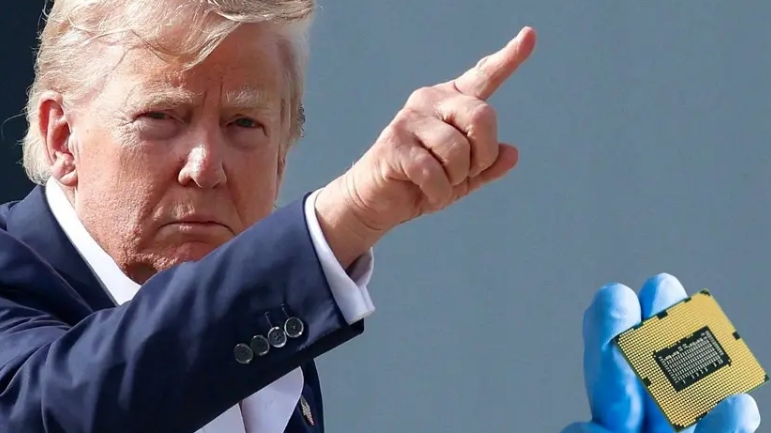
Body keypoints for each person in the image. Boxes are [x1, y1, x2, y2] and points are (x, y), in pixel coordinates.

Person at [0, 1, 759, 432]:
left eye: (245, 125)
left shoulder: (264, 345)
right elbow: (67, 407)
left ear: (284, 155)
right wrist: (349, 212)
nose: (207, 165)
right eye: (161, 117)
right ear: (63, 137)